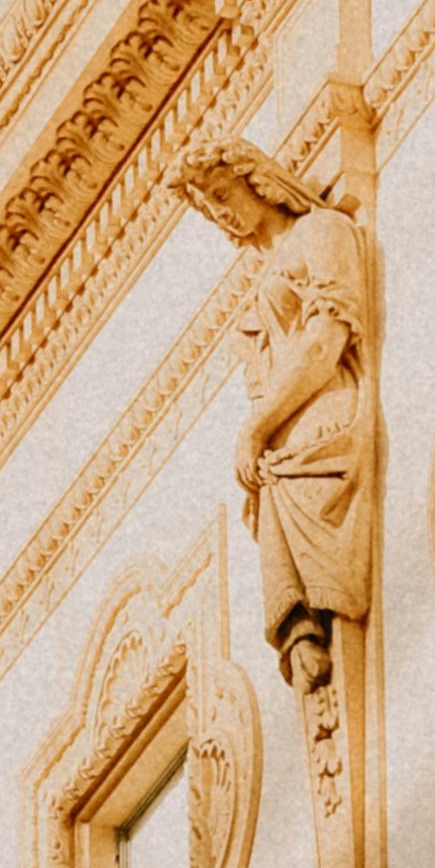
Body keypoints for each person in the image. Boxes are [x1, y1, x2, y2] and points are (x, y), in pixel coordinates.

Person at [181, 138, 376, 698]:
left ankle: (326, 646)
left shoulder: (320, 232)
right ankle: (300, 636)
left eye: (223, 193)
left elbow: (325, 341)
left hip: (322, 421)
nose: (221, 210)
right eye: (209, 203)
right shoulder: (268, 270)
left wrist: (257, 426)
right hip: (283, 441)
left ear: (257, 179)